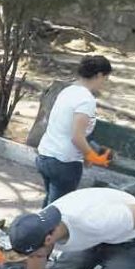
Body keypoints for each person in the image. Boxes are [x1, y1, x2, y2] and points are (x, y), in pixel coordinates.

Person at [36, 55, 114, 206]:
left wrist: (86, 155)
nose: (105, 83)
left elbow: (65, 127)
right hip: (64, 163)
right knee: (59, 210)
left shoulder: (68, 91)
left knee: (49, 205)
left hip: (46, 155)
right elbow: (77, 137)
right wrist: (93, 157)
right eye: (105, 78)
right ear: (98, 75)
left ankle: (37, 228)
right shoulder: (86, 100)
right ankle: (42, 229)